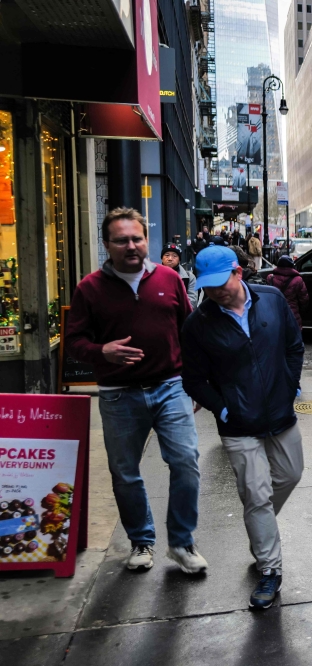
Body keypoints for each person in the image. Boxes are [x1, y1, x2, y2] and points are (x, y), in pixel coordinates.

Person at [64, 207, 208, 575]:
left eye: (137, 238)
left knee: (186, 462)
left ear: (147, 240)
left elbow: (188, 332)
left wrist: (194, 384)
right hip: (117, 394)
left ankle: (181, 541)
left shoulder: (169, 278)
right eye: (121, 240)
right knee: (125, 471)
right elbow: (74, 341)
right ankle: (142, 541)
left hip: (169, 386)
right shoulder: (89, 288)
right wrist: (102, 351)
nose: (131, 245)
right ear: (107, 244)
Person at [181, 245, 305, 610]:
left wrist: (291, 385)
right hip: (238, 424)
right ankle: (270, 570)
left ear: (238, 271)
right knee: (256, 495)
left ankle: (259, 528)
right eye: (208, 285)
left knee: (291, 475)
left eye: (221, 282)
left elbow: (293, 346)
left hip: (280, 413)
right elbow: (194, 380)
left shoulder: (272, 299)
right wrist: (222, 408)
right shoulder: (198, 324)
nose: (215, 291)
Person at [266, 256, 309, 329]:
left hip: (275, 313)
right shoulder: (298, 280)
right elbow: (304, 299)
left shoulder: (271, 278)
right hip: (292, 314)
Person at [161, 243, 198, 310]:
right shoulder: (154, 276)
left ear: (179, 260)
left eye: (174, 256)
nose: (170, 259)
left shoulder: (189, 277)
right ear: (162, 258)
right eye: (167, 255)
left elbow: (192, 302)